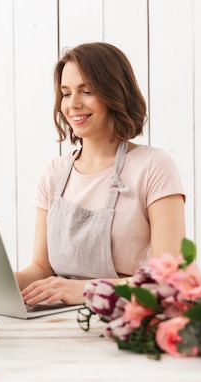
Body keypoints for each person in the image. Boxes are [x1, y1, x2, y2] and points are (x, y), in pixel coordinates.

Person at [15, 42, 186, 306]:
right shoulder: (54, 173)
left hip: (125, 319)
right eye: (66, 93)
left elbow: (168, 279)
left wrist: (84, 290)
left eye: (86, 91)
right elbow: (41, 269)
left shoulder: (152, 165)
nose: (73, 104)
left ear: (114, 94)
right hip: (55, 321)